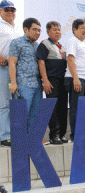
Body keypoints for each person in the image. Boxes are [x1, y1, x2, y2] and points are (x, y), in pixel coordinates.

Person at [37, 21, 68, 144]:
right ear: (48, 31)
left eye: (59, 29)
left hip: (63, 81)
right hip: (51, 80)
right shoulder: (44, 44)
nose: (58, 32)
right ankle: (53, 135)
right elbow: (41, 62)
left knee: (62, 107)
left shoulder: (62, 46)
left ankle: (62, 134)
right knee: (52, 108)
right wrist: (45, 80)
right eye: (55, 29)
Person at [9, 18, 42, 131]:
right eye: (34, 30)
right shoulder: (16, 42)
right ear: (25, 29)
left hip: (37, 85)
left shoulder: (38, 46)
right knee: (21, 114)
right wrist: (13, 82)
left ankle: (31, 142)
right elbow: (12, 63)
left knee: (35, 115)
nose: (37, 33)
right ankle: (19, 143)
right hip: (23, 84)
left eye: (39, 30)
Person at [64, 19, 85, 141]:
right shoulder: (72, 41)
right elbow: (70, 59)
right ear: (74, 29)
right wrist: (75, 78)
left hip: (84, 80)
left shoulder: (82, 43)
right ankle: (76, 136)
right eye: (82, 28)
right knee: (76, 108)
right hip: (76, 78)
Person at [0, 0, 19, 146]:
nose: (10, 12)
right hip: (3, 67)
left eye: (13, 10)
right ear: (0, 11)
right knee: (5, 102)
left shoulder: (17, 28)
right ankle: (5, 136)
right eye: (7, 10)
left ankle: (13, 133)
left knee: (15, 102)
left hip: (17, 69)